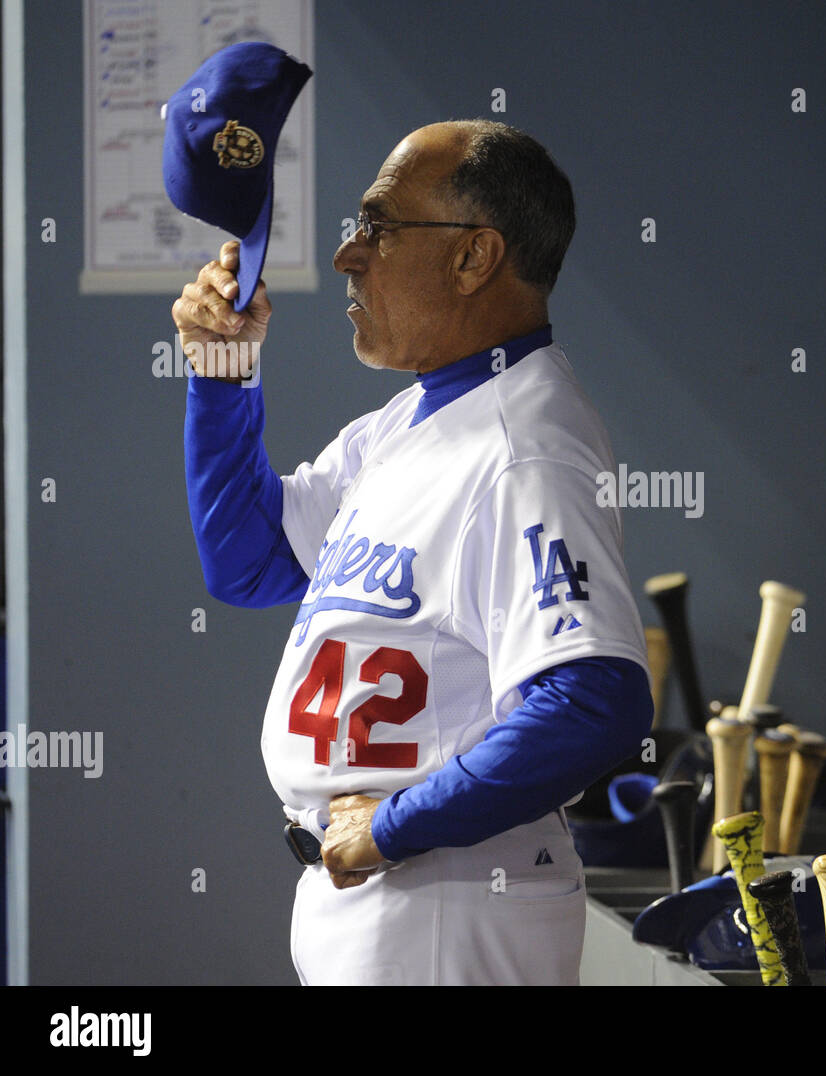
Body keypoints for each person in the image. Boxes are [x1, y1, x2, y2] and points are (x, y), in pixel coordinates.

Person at [173, 120, 653, 985]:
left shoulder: (524, 448)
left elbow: (596, 700)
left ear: (475, 257)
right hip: (389, 895)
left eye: (378, 228)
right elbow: (245, 559)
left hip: (451, 895)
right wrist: (223, 372)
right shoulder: (412, 419)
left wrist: (396, 826)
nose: (348, 258)